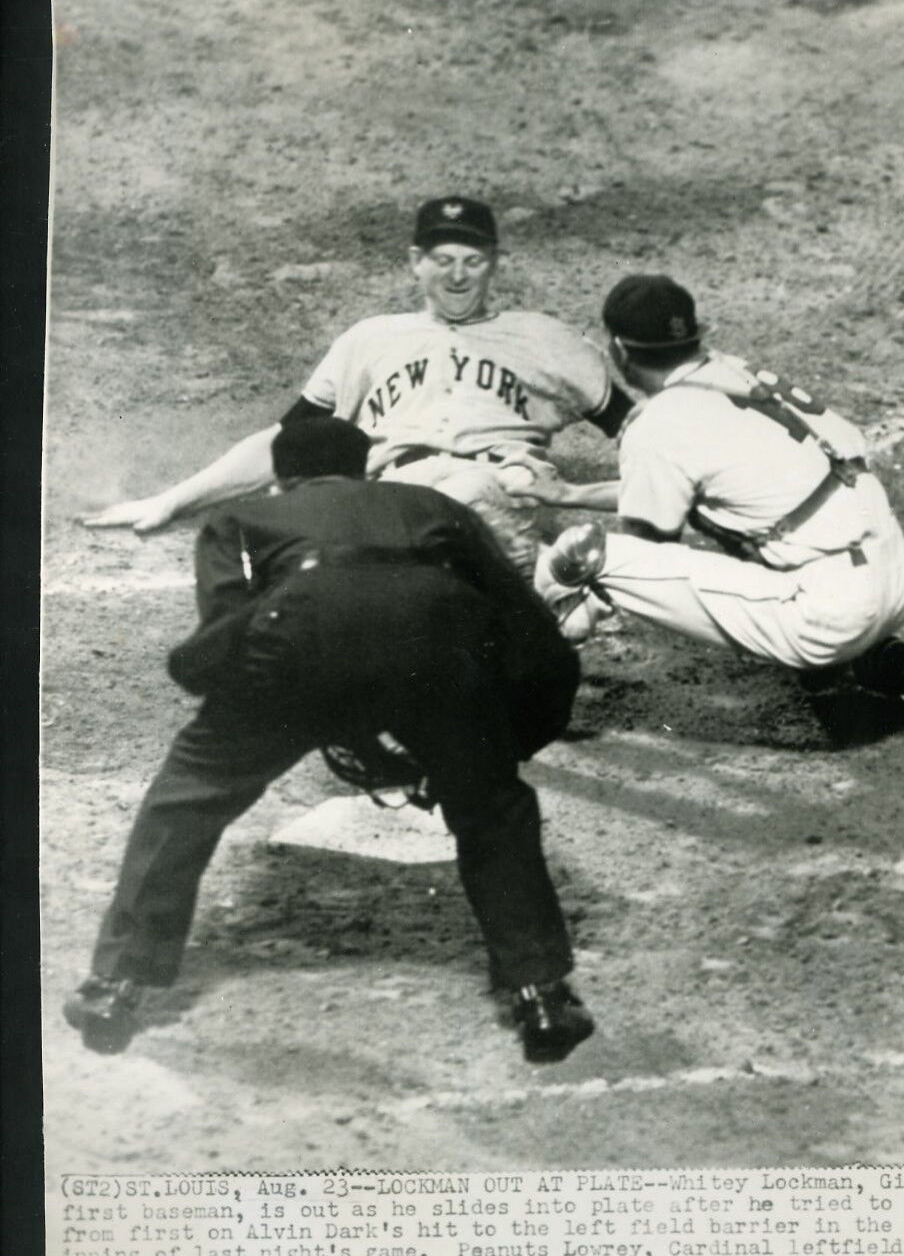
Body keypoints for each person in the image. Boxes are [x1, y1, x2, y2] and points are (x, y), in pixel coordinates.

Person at [64, 417, 595, 1063]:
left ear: (283, 476)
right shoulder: (431, 504)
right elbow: (526, 629)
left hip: (296, 639)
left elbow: (232, 637)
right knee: (493, 811)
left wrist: (260, 714)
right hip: (436, 638)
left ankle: (117, 985)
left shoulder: (242, 519)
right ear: (366, 467)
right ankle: (540, 992)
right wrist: (496, 746)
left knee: (186, 799)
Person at [534, 274, 904, 753]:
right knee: (775, 556)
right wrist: (567, 492)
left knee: (585, 553)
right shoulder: (737, 372)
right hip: (894, 577)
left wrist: (585, 598)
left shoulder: (656, 427)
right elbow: (683, 491)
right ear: (696, 335)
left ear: (618, 350)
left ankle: (522, 691)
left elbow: (648, 545)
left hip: (827, 612)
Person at [84, 196, 626, 571]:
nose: (457, 276)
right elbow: (288, 442)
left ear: (493, 264)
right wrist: (174, 499)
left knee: (435, 552)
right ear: (415, 262)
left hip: (488, 486)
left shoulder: (544, 338)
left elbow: (643, 429)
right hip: (388, 490)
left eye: (472, 261)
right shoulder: (369, 339)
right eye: (442, 260)